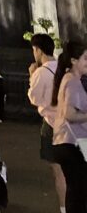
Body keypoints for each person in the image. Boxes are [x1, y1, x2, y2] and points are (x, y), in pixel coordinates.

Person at [28, 32, 66, 213]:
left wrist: (31, 75)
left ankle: (64, 207)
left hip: (51, 123)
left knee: (59, 170)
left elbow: (34, 98)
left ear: (38, 50)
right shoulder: (63, 68)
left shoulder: (40, 73)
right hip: (71, 123)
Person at [52, 40, 87, 213]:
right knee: (78, 190)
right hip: (72, 142)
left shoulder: (71, 79)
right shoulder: (72, 81)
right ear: (74, 60)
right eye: (86, 58)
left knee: (76, 189)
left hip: (68, 142)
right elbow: (70, 114)